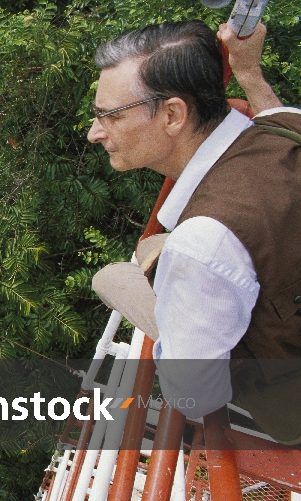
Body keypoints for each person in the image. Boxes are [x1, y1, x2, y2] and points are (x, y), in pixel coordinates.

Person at [87, 21, 301, 443]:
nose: (95, 133)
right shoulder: (283, 137)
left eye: (109, 116)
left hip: (291, 408)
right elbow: (280, 118)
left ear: (172, 114)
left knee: (112, 275)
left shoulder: (203, 241)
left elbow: (195, 396)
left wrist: (162, 280)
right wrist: (250, 74)